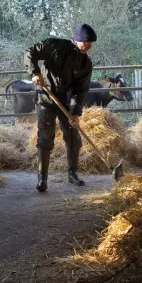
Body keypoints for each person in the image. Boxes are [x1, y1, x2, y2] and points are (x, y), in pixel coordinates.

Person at [24, 24, 96, 192]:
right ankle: (42, 179)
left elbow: (81, 89)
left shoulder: (85, 63)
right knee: (45, 137)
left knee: (72, 136)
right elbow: (30, 52)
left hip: (67, 101)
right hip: (45, 97)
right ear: (77, 39)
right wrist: (34, 73)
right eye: (85, 42)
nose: (88, 46)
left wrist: (75, 112)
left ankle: (72, 174)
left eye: (90, 43)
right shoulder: (54, 45)